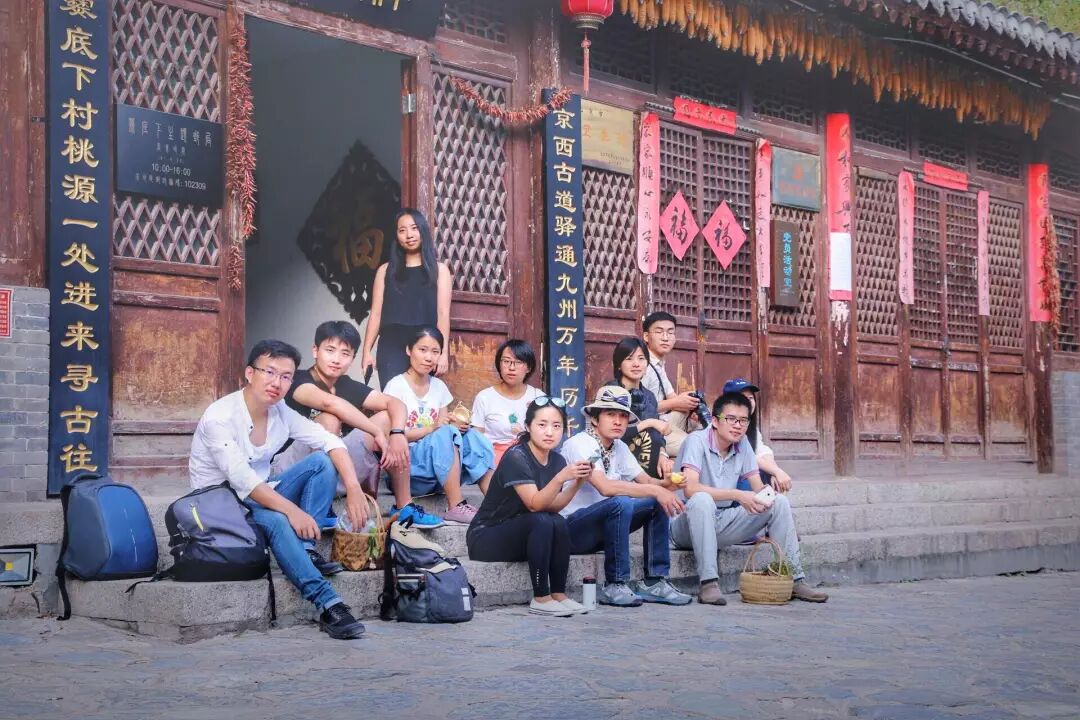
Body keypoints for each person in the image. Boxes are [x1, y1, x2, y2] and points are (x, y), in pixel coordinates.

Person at [188, 339, 368, 640]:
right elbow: (244, 482)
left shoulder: (280, 411)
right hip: (220, 506)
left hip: (259, 495)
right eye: (269, 372)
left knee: (322, 462)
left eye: (286, 376)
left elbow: (330, 441)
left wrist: (353, 487)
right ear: (250, 373)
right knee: (277, 520)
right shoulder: (219, 417)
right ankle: (329, 604)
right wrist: (294, 511)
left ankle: (306, 551)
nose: (277, 383)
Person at [272, 320, 444, 529]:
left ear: (352, 358)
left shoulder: (345, 385)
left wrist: (398, 433)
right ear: (315, 351)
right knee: (329, 419)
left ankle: (403, 506)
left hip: (335, 470)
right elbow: (330, 403)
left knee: (387, 418)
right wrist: (374, 431)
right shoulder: (298, 380)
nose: (337, 359)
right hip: (288, 471)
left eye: (345, 353)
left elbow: (395, 403)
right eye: (330, 350)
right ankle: (318, 502)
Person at [670, 392, 828, 605]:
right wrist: (737, 495)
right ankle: (708, 584)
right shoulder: (696, 441)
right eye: (731, 419)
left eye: (743, 420)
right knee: (701, 500)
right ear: (715, 421)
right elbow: (690, 489)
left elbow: (757, 487)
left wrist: (770, 493)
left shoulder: (742, 443)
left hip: (721, 521)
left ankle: (794, 578)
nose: (738, 426)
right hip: (685, 524)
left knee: (779, 503)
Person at [559, 385, 693, 607]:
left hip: (607, 527)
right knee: (620, 502)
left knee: (655, 502)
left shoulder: (619, 447)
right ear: (595, 419)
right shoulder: (579, 444)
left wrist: (666, 485)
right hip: (574, 530)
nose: (618, 421)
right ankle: (615, 584)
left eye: (623, 416)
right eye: (610, 414)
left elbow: (647, 482)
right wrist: (656, 490)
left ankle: (654, 581)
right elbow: (605, 487)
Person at [468, 397, 594, 617]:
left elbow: (552, 506)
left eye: (556, 426)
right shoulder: (516, 457)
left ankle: (558, 594)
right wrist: (561, 478)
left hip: (524, 531)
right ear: (528, 426)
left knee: (557, 521)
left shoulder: (557, 461)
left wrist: (578, 482)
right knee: (542, 520)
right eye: (542, 425)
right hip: (486, 536)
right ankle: (541, 597)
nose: (549, 432)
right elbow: (535, 505)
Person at [382, 327, 494, 524]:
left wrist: (456, 426)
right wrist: (431, 428)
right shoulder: (396, 386)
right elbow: (390, 437)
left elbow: (444, 428)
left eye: (435, 352)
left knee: (473, 436)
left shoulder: (439, 387)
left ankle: (497, 505)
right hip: (408, 472)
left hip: (438, 473)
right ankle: (456, 505)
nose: (429, 357)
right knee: (445, 432)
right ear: (409, 350)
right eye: (422, 350)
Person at [361, 208, 452, 385]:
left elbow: (443, 314)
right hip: (391, 345)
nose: (409, 235)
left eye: (414, 228)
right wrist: (366, 352)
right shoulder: (385, 271)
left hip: (425, 344)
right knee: (392, 396)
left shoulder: (440, 271)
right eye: (402, 230)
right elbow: (376, 314)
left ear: (423, 231)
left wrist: (442, 353)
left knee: (421, 398)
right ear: (396, 236)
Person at [640, 311, 706, 456]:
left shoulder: (658, 363)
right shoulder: (643, 365)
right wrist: (677, 402)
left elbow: (672, 397)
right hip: (649, 427)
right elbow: (641, 409)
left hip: (663, 418)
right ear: (646, 336)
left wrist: (689, 406)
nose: (665, 338)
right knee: (696, 446)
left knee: (701, 424)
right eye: (659, 332)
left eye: (670, 333)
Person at [471, 339, 543, 468]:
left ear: (529, 367)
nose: (511, 367)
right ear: (499, 364)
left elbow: (545, 435)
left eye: (518, 362)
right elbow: (476, 438)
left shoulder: (538, 397)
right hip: (493, 464)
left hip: (530, 461)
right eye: (506, 361)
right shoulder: (485, 397)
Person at [608, 337, 673, 479]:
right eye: (629, 359)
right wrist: (649, 423)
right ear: (619, 365)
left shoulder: (649, 396)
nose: (636, 364)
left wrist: (662, 453)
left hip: (650, 470)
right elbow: (611, 434)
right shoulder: (611, 392)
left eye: (641, 358)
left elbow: (657, 434)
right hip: (621, 472)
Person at [723, 378, 793, 494]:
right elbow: (747, 456)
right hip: (726, 482)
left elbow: (762, 451)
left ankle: (768, 502)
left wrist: (774, 471)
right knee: (754, 481)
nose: (748, 401)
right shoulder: (725, 425)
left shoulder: (751, 427)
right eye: (742, 398)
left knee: (770, 480)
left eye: (750, 398)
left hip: (745, 475)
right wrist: (776, 471)